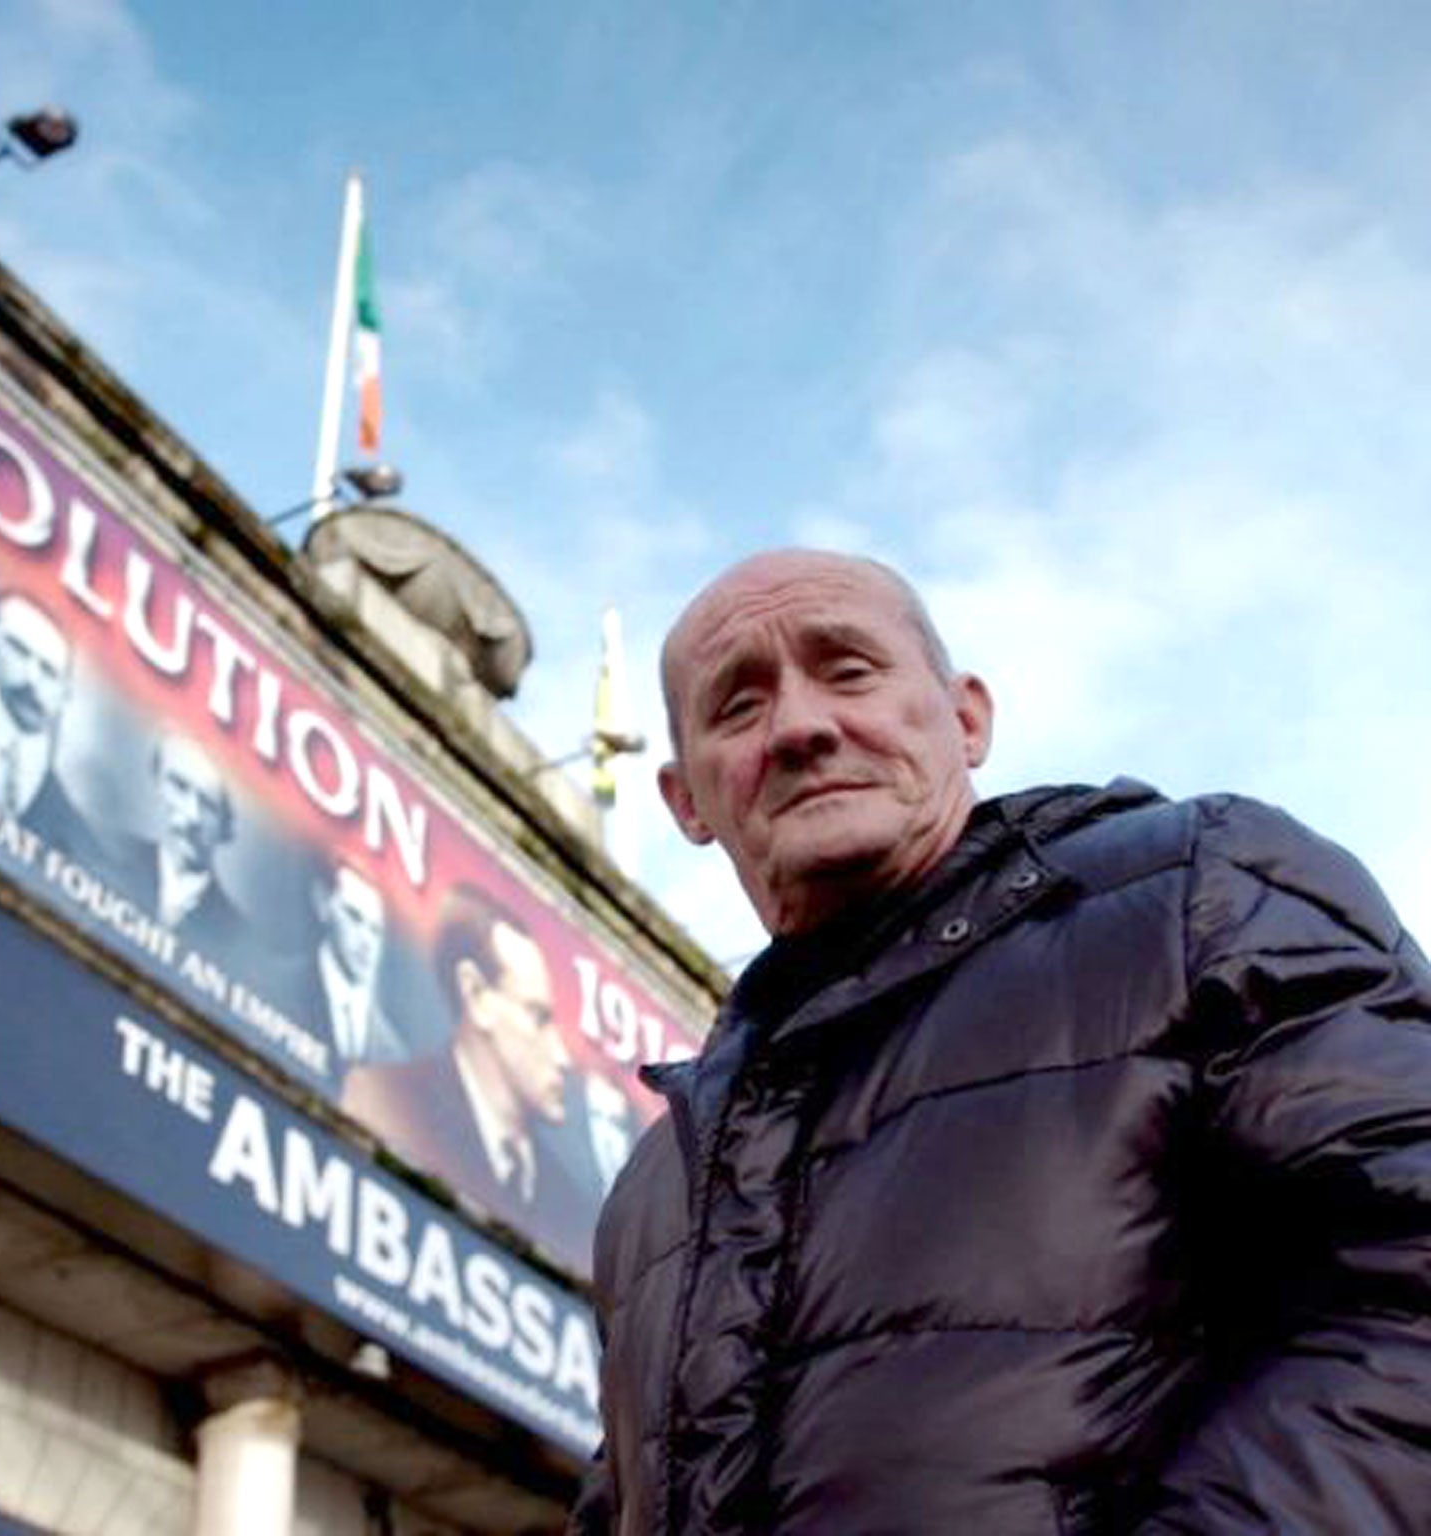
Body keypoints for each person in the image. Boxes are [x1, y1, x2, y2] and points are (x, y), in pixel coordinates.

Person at [572, 548, 1431, 1534]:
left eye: (847, 670)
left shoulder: (1193, 895)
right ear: (686, 801)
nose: (801, 726)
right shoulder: (654, 1190)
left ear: (965, 717)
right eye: (737, 706)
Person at [342, 885, 592, 1263]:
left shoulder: (570, 1207)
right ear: (475, 995)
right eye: (537, 1017)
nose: (561, 1058)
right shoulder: (385, 1100)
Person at [0, 589, 98, 862]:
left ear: (65, 693)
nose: (32, 679)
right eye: (18, 650)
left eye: (49, 671)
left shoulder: (76, 835)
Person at [113, 731, 247, 951]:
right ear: (158, 783)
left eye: (208, 805)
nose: (192, 815)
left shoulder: (238, 938)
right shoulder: (107, 853)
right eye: (180, 787)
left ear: (226, 826)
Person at [292, 856, 411, 1091]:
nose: (366, 942)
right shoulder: (275, 983)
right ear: (323, 904)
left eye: (375, 931)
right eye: (354, 917)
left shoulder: (396, 1058)